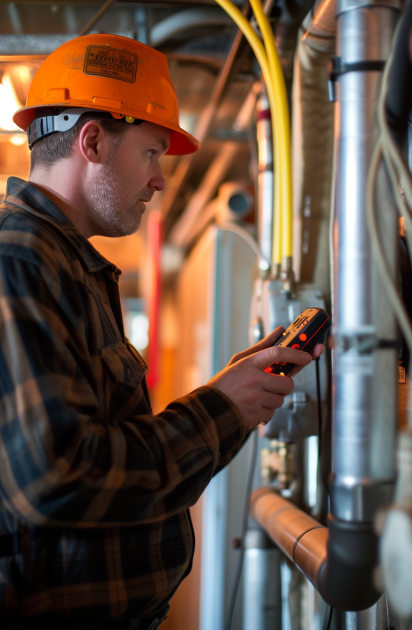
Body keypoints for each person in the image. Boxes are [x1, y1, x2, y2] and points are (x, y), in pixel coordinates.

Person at [0, 34, 323, 629]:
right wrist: (221, 408)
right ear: (92, 141)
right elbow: (58, 476)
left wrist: (233, 397)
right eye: (151, 153)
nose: (160, 181)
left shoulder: (64, 262)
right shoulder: (20, 258)